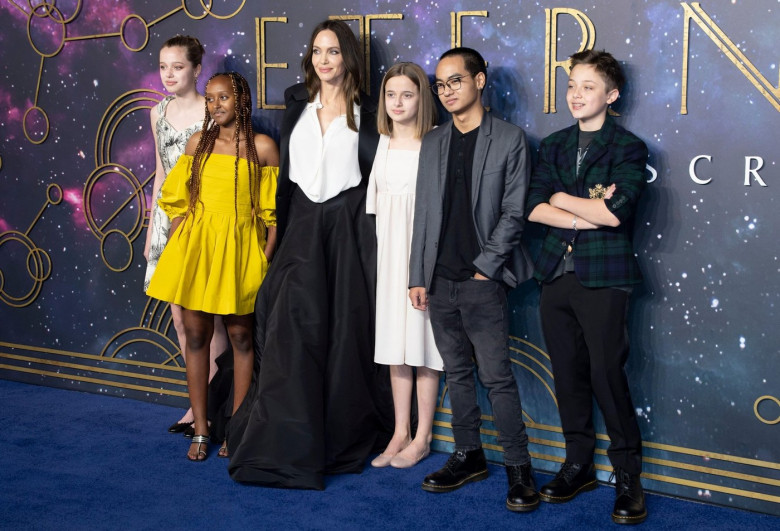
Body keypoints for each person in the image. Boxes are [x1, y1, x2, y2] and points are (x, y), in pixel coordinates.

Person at [224, 20, 389, 489]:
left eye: (333, 51)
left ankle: (332, 437)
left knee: (341, 338)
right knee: (289, 329)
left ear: (348, 57)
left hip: (346, 234)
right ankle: (279, 438)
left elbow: (378, 178)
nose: (324, 60)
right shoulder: (297, 101)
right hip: (299, 230)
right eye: (317, 51)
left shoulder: (370, 111)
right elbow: (287, 180)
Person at [408, 47, 538, 512]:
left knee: (497, 377)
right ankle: (469, 455)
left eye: (455, 82)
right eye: (440, 85)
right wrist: (417, 275)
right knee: (457, 374)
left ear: (479, 81)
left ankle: (519, 469)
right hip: (438, 282)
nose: (446, 92)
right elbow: (424, 214)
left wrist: (487, 265)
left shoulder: (509, 139)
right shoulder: (433, 141)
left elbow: (515, 211)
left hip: (483, 280)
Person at [526, 49, 648, 524]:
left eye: (588, 87)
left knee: (606, 376)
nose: (576, 94)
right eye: (572, 85)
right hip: (555, 274)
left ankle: (628, 476)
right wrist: (582, 207)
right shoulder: (553, 145)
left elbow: (616, 213)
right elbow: (534, 207)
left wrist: (565, 202)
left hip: (605, 279)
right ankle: (577, 466)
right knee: (568, 375)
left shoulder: (628, 147)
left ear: (611, 95)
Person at [146, 71, 279, 461]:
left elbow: (273, 219)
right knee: (197, 335)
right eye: (209, 98)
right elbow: (177, 204)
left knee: (240, 337)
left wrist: (262, 260)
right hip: (197, 252)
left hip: (240, 255)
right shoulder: (197, 144)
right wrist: (180, 247)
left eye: (222, 98)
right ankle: (202, 427)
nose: (214, 105)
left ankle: (236, 427)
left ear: (241, 100)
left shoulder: (262, 147)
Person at [143, 35, 228, 436]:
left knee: (210, 320)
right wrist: (150, 229)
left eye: (177, 67)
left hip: (201, 221)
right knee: (180, 320)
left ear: (197, 69)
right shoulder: (157, 112)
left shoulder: (213, 113)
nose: (169, 75)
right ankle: (196, 405)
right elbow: (160, 173)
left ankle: (216, 404)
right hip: (166, 221)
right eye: (163, 67)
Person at [366, 62, 441, 470]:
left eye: (407, 94)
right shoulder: (380, 141)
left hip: (421, 259)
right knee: (396, 346)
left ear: (421, 99)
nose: (398, 102)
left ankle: (423, 436)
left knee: (424, 347)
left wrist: (427, 268)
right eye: (391, 95)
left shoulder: (435, 142)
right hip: (389, 257)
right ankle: (400, 432)